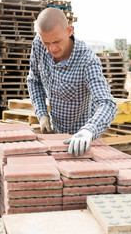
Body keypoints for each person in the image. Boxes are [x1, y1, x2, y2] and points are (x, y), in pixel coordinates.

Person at [27, 8, 117, 157]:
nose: (52, 48)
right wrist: (42, 114)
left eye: (57, 41)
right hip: (54, 135)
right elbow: (34, 81)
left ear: (69, 31)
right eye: (46, 43)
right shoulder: (38, 46)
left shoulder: (87, 60)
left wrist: (89, 131)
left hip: (81, 140)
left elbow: (107, 104)